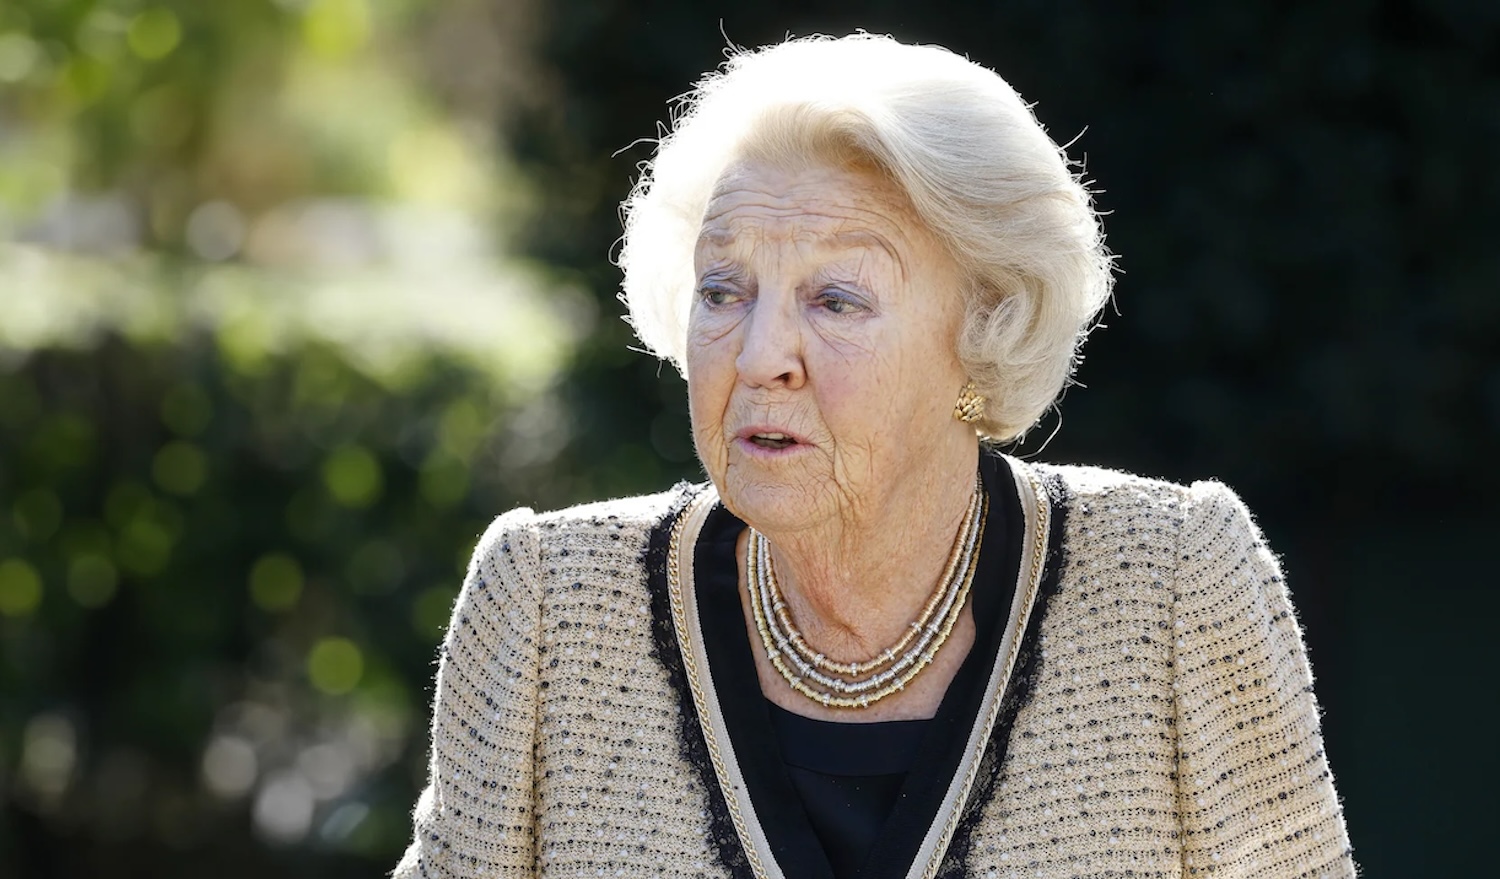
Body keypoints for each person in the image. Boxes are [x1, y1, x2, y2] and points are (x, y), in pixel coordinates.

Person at [395, 34, 1355, 879]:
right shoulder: (549, 609)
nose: (761, 354)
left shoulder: (1174, 585)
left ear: (983, 329)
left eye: (836, 301)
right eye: (724, 289)